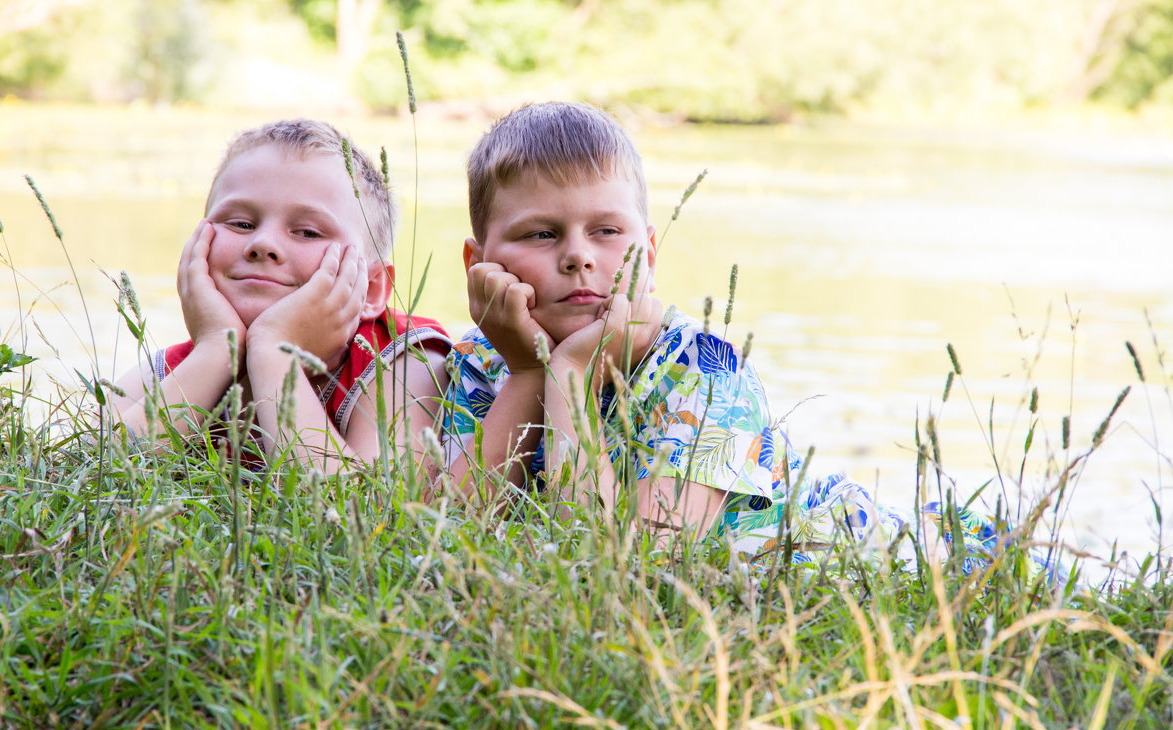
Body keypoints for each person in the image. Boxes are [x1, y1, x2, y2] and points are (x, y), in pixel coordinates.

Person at [442, 101, 1065, 580]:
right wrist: (529, 373)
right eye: (541, 235)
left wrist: (570, 376)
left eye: (606, 229)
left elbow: (620, 566)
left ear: (649, 254)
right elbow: (446, 532)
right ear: (478, 260)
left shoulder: (702, 369)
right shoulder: (478, 364)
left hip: (926, 559)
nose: (578, 257)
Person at [111, 118, 451, 473]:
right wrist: (216, 351)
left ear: (372, 287)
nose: (263, 244)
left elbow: (372, 509)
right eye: (241, 224)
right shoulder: (181, 365)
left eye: (307, 232)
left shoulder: (401, 359)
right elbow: (86, 470)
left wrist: (274, 352)